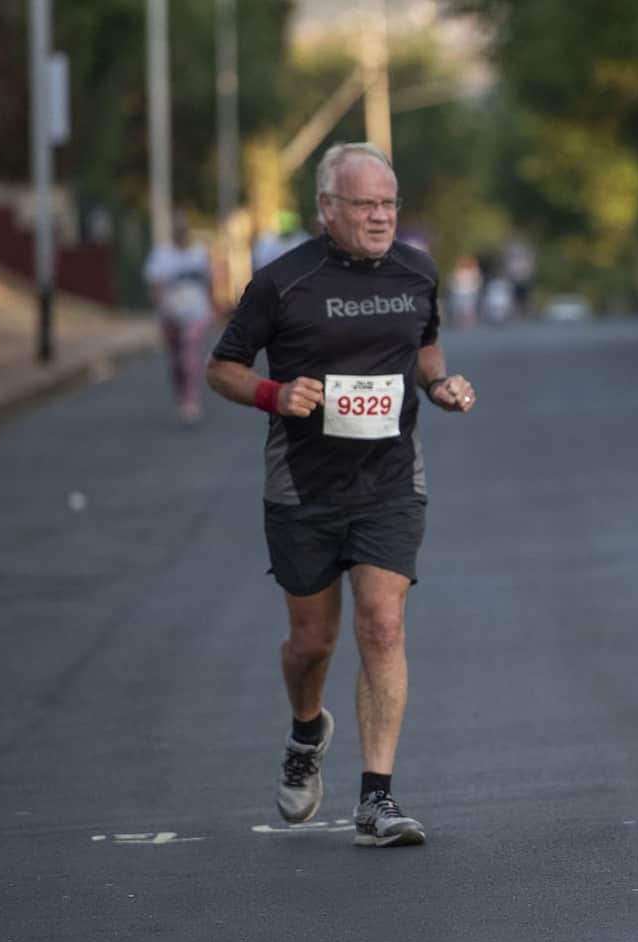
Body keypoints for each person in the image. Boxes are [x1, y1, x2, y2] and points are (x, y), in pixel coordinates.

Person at [205, 141, 476, 848]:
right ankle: (305, 731)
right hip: (304, 484)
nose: (381, 216)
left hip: (390, 479)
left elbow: (424, 344)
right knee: (312, 641)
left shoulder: (418, 271)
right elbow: (222, 368)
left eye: (389, 203)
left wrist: (439, 384)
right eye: (365, 205)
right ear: (328, 207)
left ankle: (376, 799)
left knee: (382, 625)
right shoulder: (282, 282)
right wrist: (274, 393)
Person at [143, 210, 217, 425]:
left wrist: (213, 307)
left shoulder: (199, 253)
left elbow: (209, 282)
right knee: (177, 360)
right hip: (171, 315)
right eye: (177, 228)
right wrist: (161, 310)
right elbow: (155, 286)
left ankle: (191, 401)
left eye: (184, 227)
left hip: (196, 313)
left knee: (189, 354)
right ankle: (181, 396)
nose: (181, 231)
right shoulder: (162, 255)